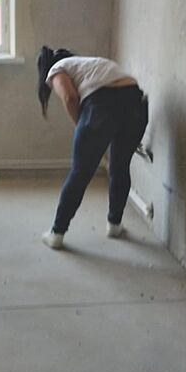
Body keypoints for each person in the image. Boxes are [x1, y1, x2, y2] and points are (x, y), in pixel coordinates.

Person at [37, 46, 148, 250]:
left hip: (102, 105)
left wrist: (81, 125)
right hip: (135, 103)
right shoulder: (90, 64)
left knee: (80, 173)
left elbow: (70, 98)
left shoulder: (57, 69)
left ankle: (56, 233)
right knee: (120, 167)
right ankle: (114, 225)